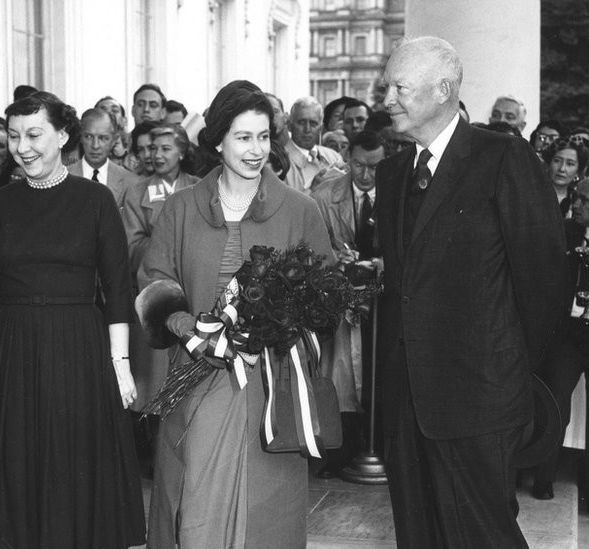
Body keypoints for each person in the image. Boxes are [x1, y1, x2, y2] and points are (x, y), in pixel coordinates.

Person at [374, 36, 567, 547]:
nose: (386, 99)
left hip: (479, 397)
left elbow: (544, 278)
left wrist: (504, 366)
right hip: (406, 401)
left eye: (399, 87)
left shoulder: (503, 157)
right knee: (419, 534)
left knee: (483, 535)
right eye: (385, 86)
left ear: (443, 90)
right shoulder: (392, 173)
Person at [138, 80, 334, 548]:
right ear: (218, 140)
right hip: (197, 374)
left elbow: (324, 296)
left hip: (272, 384)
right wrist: (192, 330)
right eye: (243, 138)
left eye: (263, 137)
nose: (256, 150)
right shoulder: (179, 209)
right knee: (194, 499)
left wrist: (282, 323)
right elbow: (154, 282)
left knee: (266, 509)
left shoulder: (301, 209)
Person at [0, 91, 145, 549]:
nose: (23, 147)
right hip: (12, 348)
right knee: (17, 464)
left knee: (71, 462)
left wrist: (120, 367)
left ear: (63, 136)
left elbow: (117, 290)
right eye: (15, 136)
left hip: (79, 348)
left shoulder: (96, 200)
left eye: (34, 134)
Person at [531, 174, 589, 523]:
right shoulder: (565, 230)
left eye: (585, 199)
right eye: (575, 197)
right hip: (569, 334)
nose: (576, 204)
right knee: (552, 402)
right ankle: (542, 478)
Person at [311, 130, 386, 477]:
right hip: (340, 299)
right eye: (358, 165)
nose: (366, 174)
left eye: (374, 166)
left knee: (378, 374)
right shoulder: (325, 194)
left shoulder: (397, 194)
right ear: (348, 160)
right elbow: (311, 248)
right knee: (340, 374)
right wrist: (336, 263)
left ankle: (380, 447)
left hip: (384, 302)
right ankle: (338, 451)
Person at [121, 125, 200, 410]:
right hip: (154, 292)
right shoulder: (137, 192)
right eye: (153, 148)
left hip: (194, 292)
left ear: (181, 152)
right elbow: (130, 246)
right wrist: (167, 244)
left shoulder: (199, 186)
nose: (156, 155)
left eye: (166, 149)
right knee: (153, 386)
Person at [69, 108, 140, 205]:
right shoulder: (62, 178)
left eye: (103, 138)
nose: (95, 145)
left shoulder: (131, 182)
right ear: (81, 137)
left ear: (114, 140)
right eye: (88, 137)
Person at [285, 96, 343, 193]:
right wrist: (312, 190)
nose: (307, 129)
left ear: (320, 128)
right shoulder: (278, 162)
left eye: (313, 123)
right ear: (290, 126)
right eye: (301, 122)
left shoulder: (334, 157)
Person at [543, 137, 589, 218]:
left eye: (570, 164)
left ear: (578, 170)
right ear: (549, 163)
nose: (562, 169)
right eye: (557, 161)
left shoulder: (579, 202)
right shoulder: (531, 192)